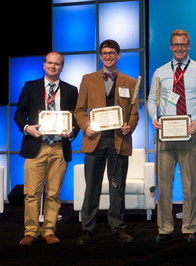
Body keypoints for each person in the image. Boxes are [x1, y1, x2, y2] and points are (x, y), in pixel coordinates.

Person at [147, 29, 196, 243]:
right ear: (170, 46)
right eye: (175, 45)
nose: (179, 48)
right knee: (164, 185)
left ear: (189, 46)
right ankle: (165, 229)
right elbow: (152, 100)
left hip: (191, 134)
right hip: (164, 136)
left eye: (183, 44)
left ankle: (189, 229)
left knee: (190, 184)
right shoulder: (160, 72)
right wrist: (153, 117)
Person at [74, 39, 139, 245]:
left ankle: (118, 228)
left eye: (112, 53)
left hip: (119, 141)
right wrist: (86, 126)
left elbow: (134, 113)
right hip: (95, 140)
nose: (108, 56)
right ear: (100, 56)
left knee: (116, 188)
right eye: (104, 53)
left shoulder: (129, 81)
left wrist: (130, 125)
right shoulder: (88, 79)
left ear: (118, 55)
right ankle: (87, 229)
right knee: (91, 187)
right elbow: (79, 110)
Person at [14, 51, 79, 246]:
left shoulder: (71, 90)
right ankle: (31, 232)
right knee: (32, 193)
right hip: (36, 146)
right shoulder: (30, 87)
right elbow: (19, 113)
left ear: (62, 67)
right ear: (44, 65)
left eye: (57, 64)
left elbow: (76, 117)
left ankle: (49, 231)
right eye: (50, 63)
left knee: (53, 194)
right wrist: (27, 128)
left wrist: (72, 131)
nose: (53, 67)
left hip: (59, 147)